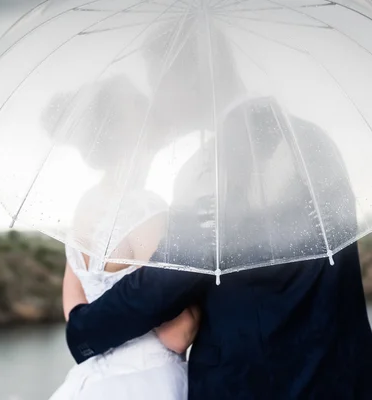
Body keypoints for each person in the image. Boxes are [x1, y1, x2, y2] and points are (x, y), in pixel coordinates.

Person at [65, 18, 372, 399]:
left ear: (195, 80)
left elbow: (163, 284)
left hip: (253, 386)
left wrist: (83, 329)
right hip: (343, 380)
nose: (157, 101)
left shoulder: (209, 170)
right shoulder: (314, 141)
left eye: (162, 85)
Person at [45, 75, 199, 400]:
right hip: (148, 381)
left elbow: (76, 315)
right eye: (144, 111)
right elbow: (178, 335)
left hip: (89, 382)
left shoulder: (84, 206)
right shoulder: (147, 210)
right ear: (135, 134)